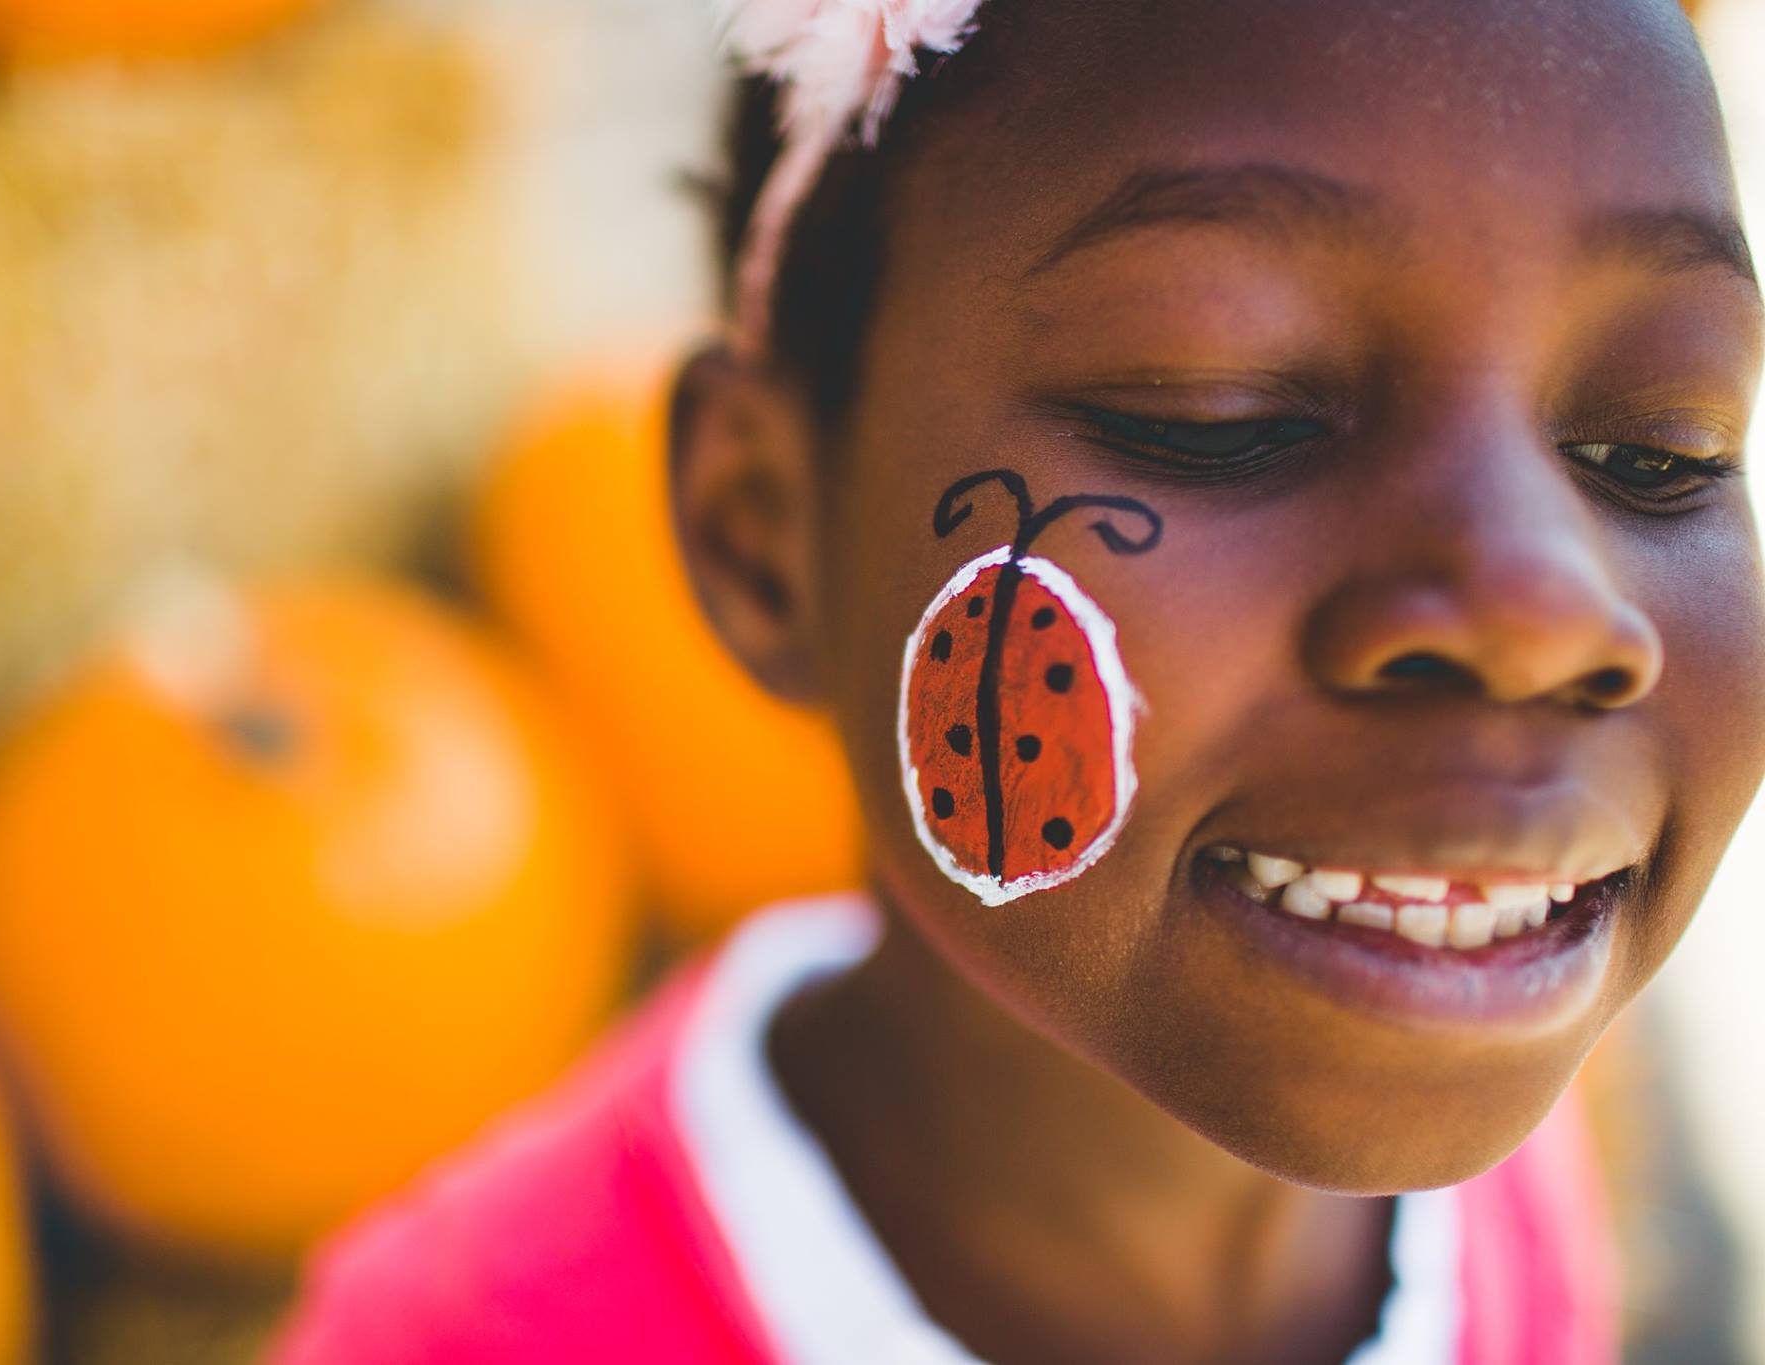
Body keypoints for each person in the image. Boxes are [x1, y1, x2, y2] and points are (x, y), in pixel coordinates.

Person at [273, 0, 1765, 1360]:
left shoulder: (1525, 1204)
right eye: (1219, 406)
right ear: (765, 532)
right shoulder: (460, 1336)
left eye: (1663, 442)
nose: (1543, 603)